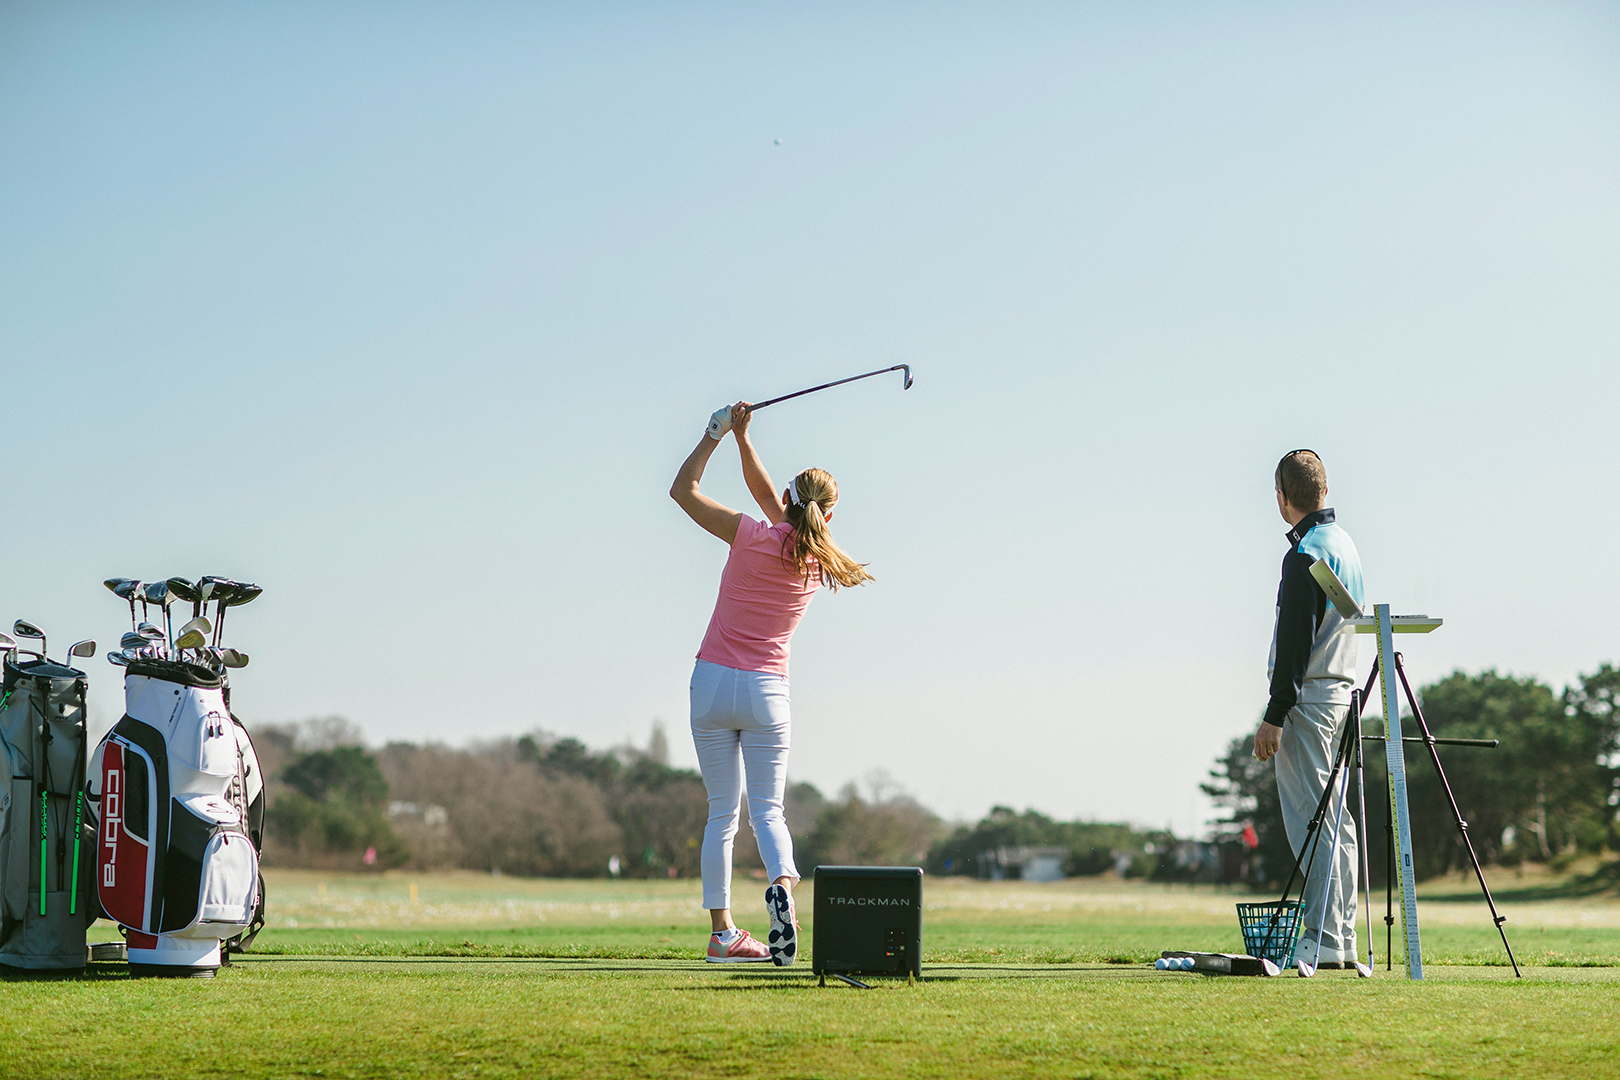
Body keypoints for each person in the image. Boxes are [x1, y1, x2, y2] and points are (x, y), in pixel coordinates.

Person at [669, 401, 873, 964]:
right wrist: (744, 440)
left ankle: (722, 935)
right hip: (766, 693)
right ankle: (782, 888)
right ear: (826, 517)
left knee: (720, 815)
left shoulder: (748, 534)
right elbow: (777, 502)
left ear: (784, 501)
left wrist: (719, 434)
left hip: (711, 685)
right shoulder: (820, 559)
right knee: (769, 812)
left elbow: (682, 492)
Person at [1252, 449, 1364, 969]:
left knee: (1312, 822)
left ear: (1282, 495)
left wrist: (1275, 713)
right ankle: (1338, 936)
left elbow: (1296, 643)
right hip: (1342, 695)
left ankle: (1320, 936)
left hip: (1309, 698)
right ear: (1324, 489)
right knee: (1336, 821)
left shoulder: (1304, 554)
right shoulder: (1346, 545)